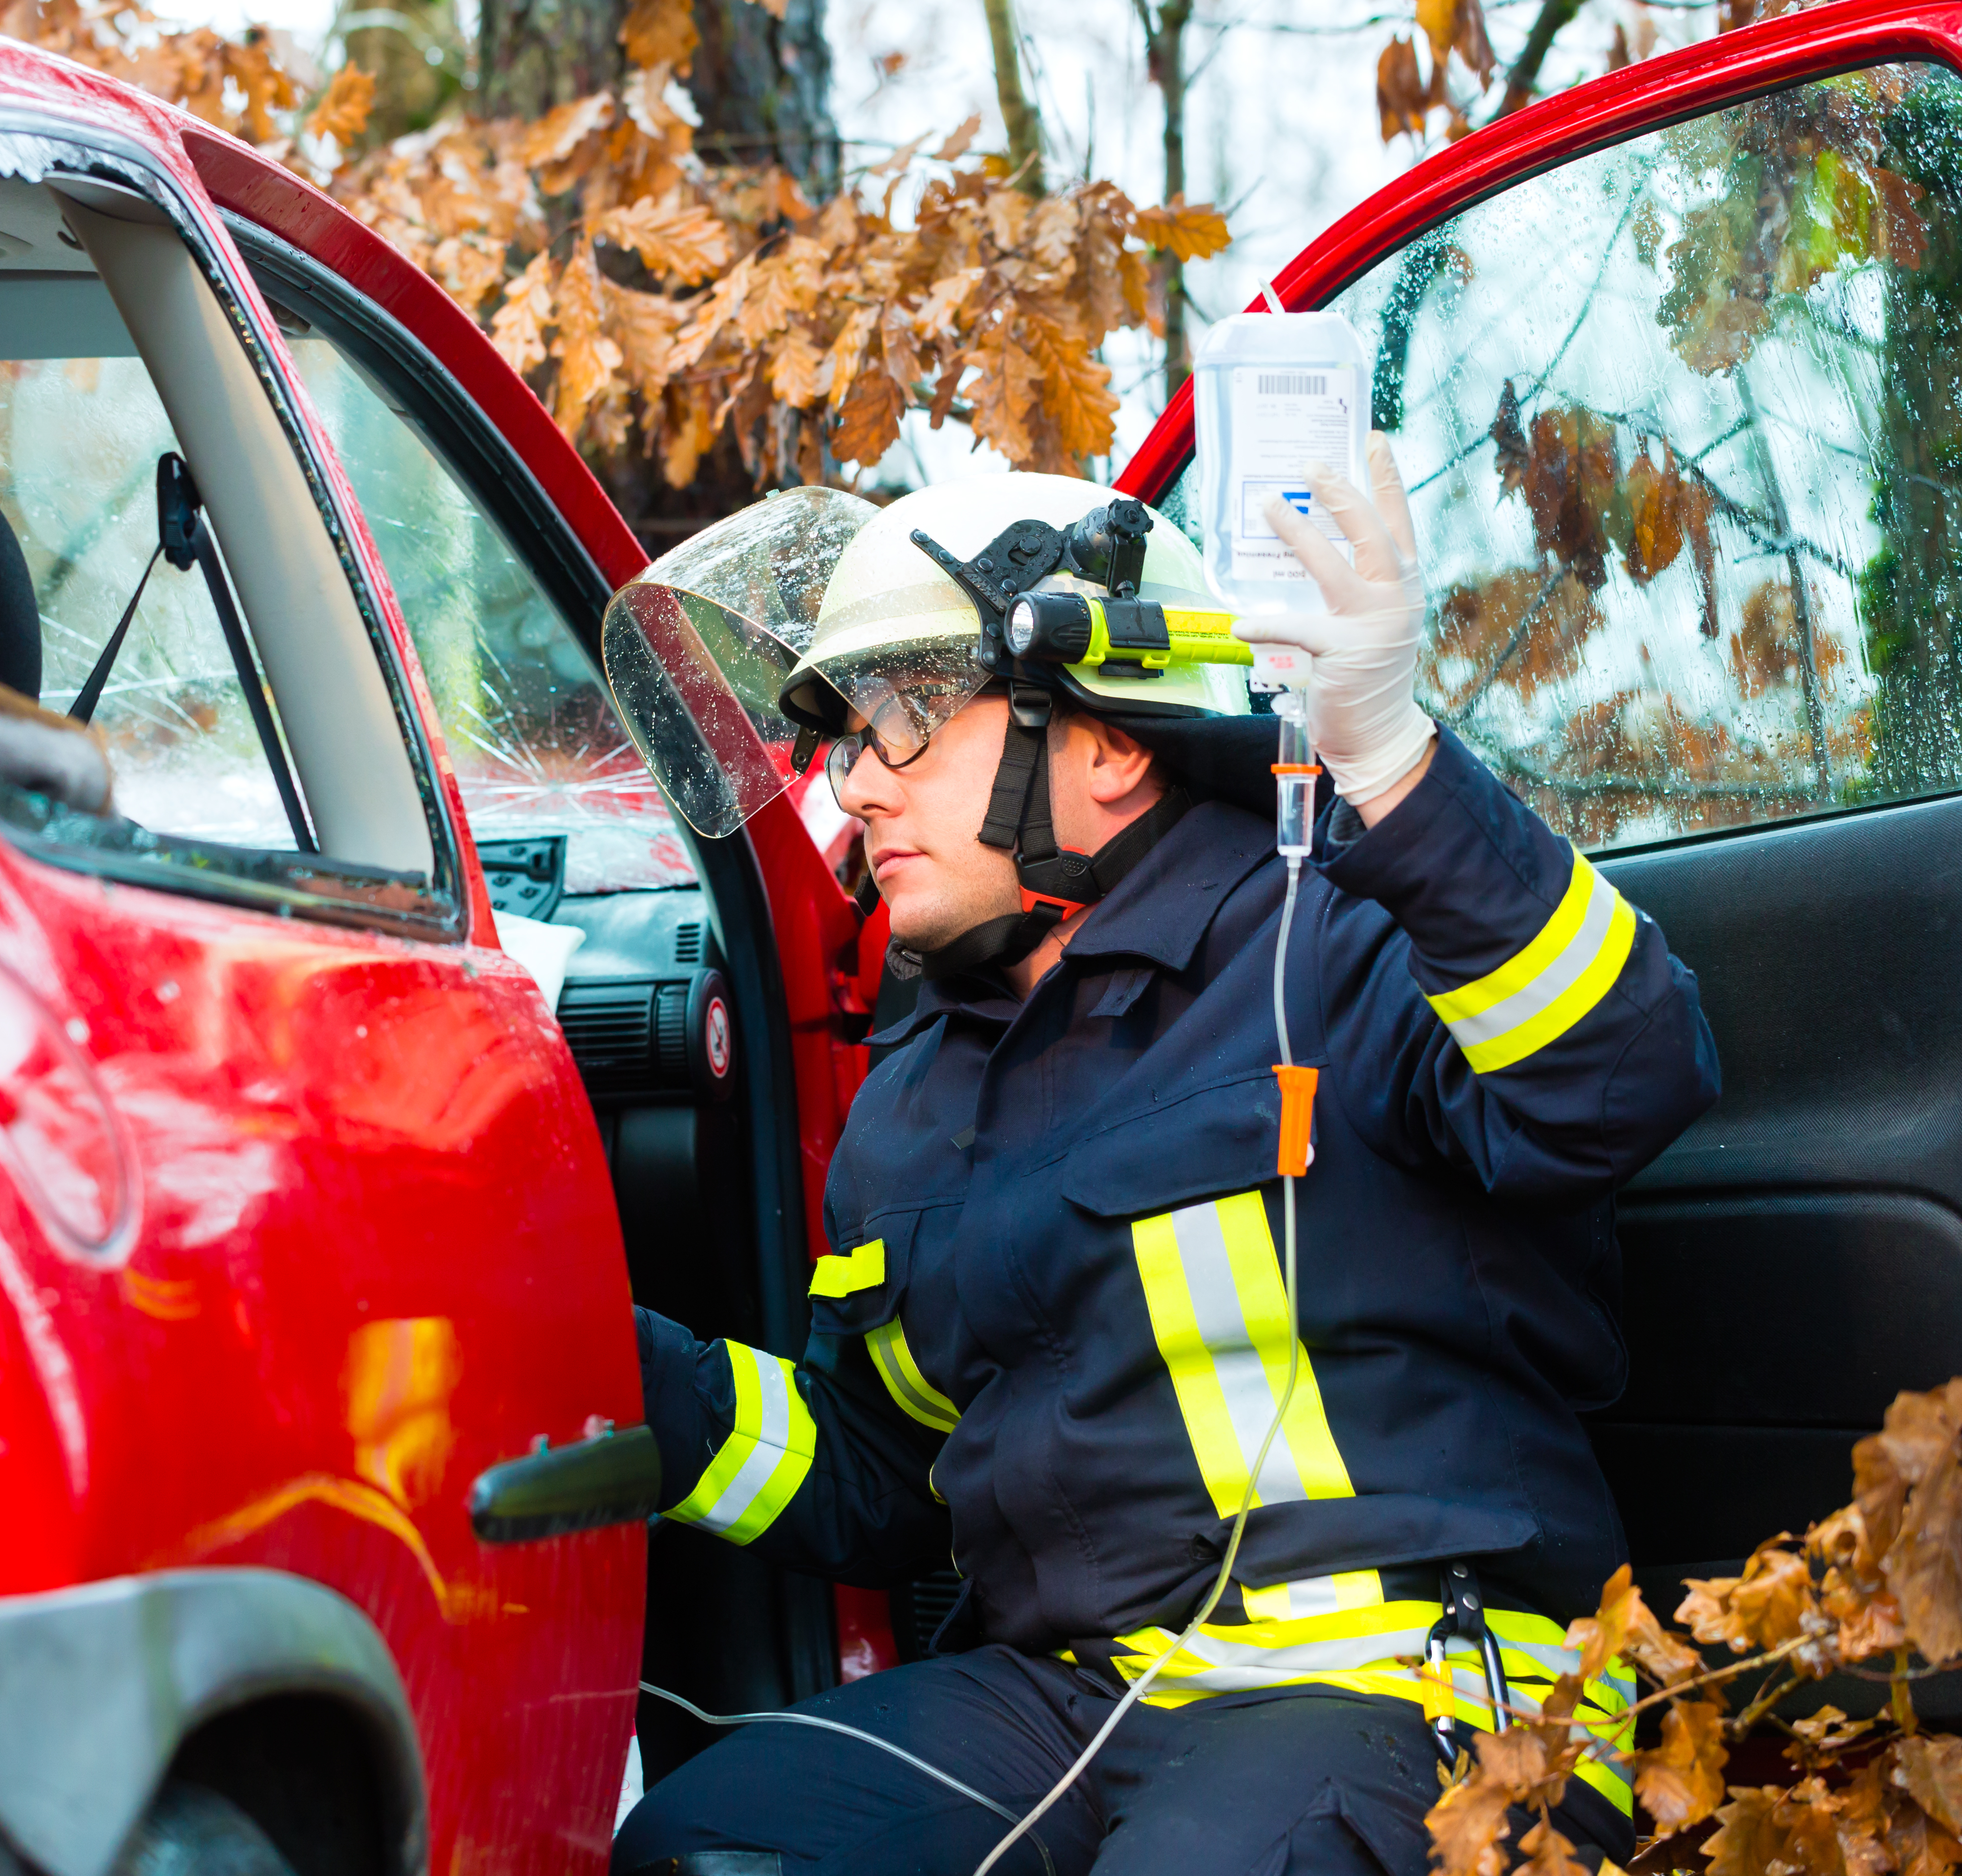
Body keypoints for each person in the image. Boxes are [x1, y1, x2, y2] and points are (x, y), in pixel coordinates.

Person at [597, 444, 1720, 1876]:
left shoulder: (1334, 940)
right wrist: (609, 1365)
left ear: (1112, 743)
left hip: (1418, 1683)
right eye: (844, 738)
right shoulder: (915, 1094)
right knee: (709, 1848)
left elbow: (1624, 1072)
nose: (854, 790)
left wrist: (1390, 762)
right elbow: (885, 1475)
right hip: (1078, 1699)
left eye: (906, 720)